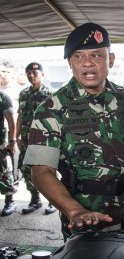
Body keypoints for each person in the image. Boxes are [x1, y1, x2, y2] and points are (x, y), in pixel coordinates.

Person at [23, 23, 124, 254]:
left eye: (96, 55)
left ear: (110, 60)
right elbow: (41, 172)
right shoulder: (52, 108)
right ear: (69, 63)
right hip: (89, 213)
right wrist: (74, 211)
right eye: (78, 56)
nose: (87, 62)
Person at [16, 62, 56, 215]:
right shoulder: (23, 93)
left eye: (35, 73)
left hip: (44, 139)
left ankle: (53, 201)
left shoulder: (50, 93)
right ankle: (35, 199)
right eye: (29, 73)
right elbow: (20, 116)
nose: (31, 75)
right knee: (26, 170)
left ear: (42, 74)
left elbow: (56, 118)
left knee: (49, 171)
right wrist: (15, 137)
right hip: (26, 139)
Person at [0, 89, 17, 216]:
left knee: (5, 171)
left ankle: (10, 201)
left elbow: (11, 122)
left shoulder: (3, 97)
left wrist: (12, 142)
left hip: (1, 143)